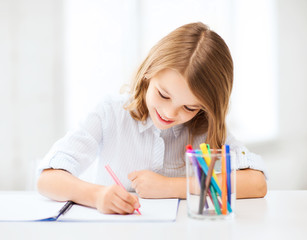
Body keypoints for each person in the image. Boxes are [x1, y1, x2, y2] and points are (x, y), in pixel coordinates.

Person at [37, 22, 267, 215]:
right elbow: (47, 180)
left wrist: (169, 187)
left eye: (189, 107)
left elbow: (256, 183)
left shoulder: (205, 126)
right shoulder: (111, 113)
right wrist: (97, 196)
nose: (169, 113)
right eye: (163, 94)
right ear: (148, 73)